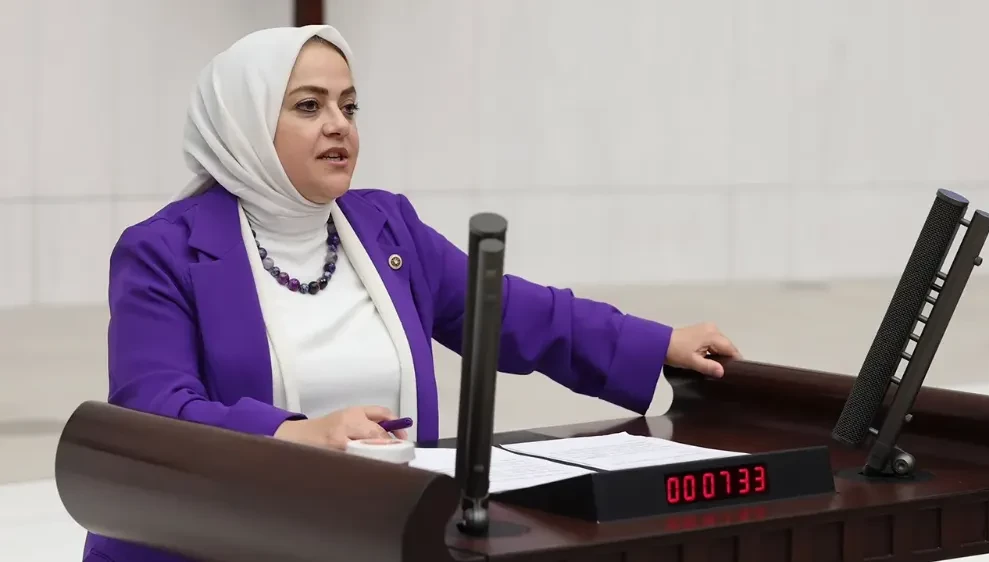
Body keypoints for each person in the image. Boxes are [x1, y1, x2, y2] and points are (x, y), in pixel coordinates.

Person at [87, 24, 740, 561]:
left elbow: (509, 312)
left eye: (349, 106)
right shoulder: (164, 250)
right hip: (215, 544)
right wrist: (299, 434)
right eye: (309, 106)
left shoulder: (383, 226)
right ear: (243, 125)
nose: (338, 125)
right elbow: (154, 413)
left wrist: (658, 343)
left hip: (377, 535)